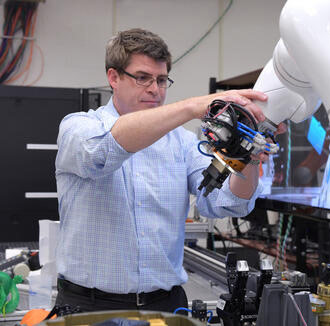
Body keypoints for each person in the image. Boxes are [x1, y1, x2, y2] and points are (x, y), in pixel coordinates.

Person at [54, 28, 278, 313]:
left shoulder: (182, 143)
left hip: (164, 307)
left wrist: (249, 155)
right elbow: (102, 153)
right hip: (89, 307)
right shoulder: (78, 128)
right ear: (114, 77)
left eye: (161, 80)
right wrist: (191, 107)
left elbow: (229, 203)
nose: (154, 89)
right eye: (142, 78)